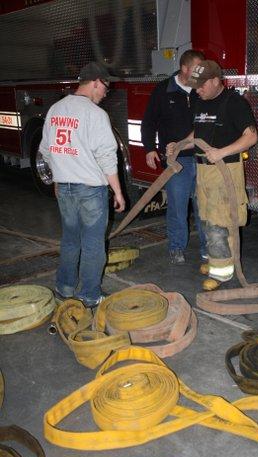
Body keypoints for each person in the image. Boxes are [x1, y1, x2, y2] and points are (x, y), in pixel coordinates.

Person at [39, 61, 125, 307]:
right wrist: (118, 192)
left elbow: (46, 150)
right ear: (96, 82)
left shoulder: (56, 110)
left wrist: (58, 176)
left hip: (64, 188)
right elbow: (107, 157)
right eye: (105, 87)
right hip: (90, 191)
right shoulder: (95, 114)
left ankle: (64, 288)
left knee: (70, 240)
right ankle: (89, 295)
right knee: (92, 245)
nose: (106, 93)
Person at [167, 60, 258, 283]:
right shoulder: (201, 102)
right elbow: (197, 133)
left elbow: (251, 136)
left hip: (225, 170)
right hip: (204, 172)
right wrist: (179, 145)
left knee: (221, 221)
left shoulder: (234, 103)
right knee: (207, 218)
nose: (197, 90)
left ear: (216, 80)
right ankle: (217, 261)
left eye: (201, 85)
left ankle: (221, 274)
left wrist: (221, 152)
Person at [141, 49, 207, 265]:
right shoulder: (163, 91)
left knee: (205, 207)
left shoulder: (202, 89)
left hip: (204, 158)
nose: (200, 73)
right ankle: (177, 247)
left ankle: (209, 248)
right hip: (177, 162)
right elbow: (149, 121)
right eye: (196, 69)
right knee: (178, 208)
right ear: (184, 68)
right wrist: (150, 148)